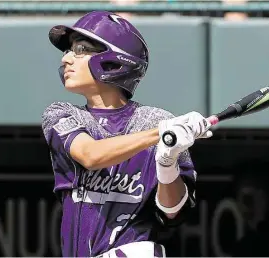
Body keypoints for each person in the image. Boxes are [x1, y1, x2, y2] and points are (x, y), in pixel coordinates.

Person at [42, 11, 212, 257]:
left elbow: (172, 213)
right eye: (67, 50)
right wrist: (159, 134)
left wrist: (167, 164)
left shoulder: (155, 120)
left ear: (114, 61)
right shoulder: (61, 114)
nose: (66, 59)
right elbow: (90, 155)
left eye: (80, 49)